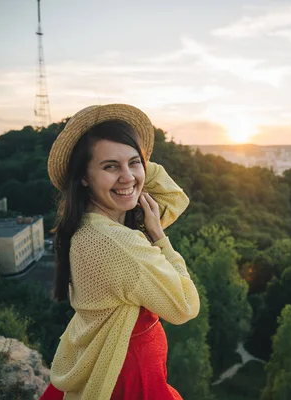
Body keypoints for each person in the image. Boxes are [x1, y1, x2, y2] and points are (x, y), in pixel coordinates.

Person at [39, 104, 200, 400]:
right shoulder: (118, 243)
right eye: (109, 166)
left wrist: (131, 165)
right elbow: (185, 306)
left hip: (116, 368)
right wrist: (159, 238)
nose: (126, 177)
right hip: (126, 382)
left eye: (134, 163)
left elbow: (174, 198)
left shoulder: (93, 223)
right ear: (84, 176)